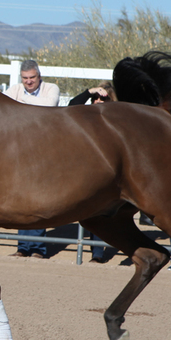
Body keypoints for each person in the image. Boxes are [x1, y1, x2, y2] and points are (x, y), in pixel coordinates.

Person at [5, 59, 60, 258]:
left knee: (38, 199)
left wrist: (20, 104)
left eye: (32, 78)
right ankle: (23, 248)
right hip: (20, 150)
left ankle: (38, 248)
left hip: (44, 150)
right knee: (22, 199)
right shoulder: (15, 90)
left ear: (39, 76)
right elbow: (4, 106)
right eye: (25, 78)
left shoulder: (50, 88)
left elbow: (50, 105)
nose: (28, 82)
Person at [67, 81, 115, 262]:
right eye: (95, 98)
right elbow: (72, 106)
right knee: (92, 212)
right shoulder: (87, 115)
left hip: (111, 170)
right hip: (91, 169)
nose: (98, 101)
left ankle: (100, 252)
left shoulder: (116, 117)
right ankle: (96, 252)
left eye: (103, 99)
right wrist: (90, 91)